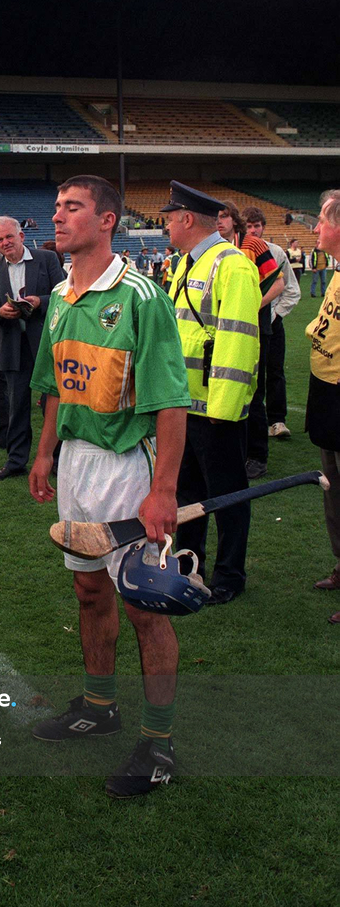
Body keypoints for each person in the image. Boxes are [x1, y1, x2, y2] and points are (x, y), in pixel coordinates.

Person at [29, 175, 190, 799]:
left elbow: (171, 403)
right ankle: (99, 705)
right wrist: (45, 453)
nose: (59, 217)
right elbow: (52, 387)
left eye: (72, 208)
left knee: (144, 603)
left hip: (129, 468)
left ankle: (160, 742)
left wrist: (165, 490)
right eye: (57, 207)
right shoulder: (62, 295)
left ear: (107, 222)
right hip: (75, 462)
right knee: (88, 589)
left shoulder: (142, 297)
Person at [164, 181, 261, 605]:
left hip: (214, 411)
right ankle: (191, 565)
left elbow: (238, 341)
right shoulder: (184, 263)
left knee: (227, 497)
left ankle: (229, 576)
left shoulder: (232, 264)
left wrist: (222, 410)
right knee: (187, 496)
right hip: (184, 407)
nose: (165, 225)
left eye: (170, 218)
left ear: (187, 219)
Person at [0, 216, 63, 479]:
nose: (5, 243)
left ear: (21, 237)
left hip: (45, 344)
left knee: (52, 404)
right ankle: (16, 461)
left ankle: (57, 459)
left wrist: (40, 301)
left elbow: (64, 295)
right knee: (17, 405)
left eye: (9, 237)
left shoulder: (47, 259)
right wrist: (1, 313)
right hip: (11, 345)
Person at [216, 200, 283, 481]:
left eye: (224, 216)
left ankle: (258, 456)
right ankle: (238, 451)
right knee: (229, 390)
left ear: (235, 220)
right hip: (224, 330)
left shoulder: (252, 245)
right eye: (215, 217)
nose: (219, 221)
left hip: (255, 329)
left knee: (252, 393)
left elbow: (277, 283)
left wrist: (250, 305)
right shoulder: (215, 249)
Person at [306, 190, 340, 620]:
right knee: (333, 486)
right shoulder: (335, 272)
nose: (315, 228)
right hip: (327, 388)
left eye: (322, 219)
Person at [241, 206, 300, 442]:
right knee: (253, 373)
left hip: (272, 322)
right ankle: (254, 420)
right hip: (245, 323)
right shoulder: (235, 252)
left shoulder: (275, 252)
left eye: (257, 226)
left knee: (275, 370)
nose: (254, 230)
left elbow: (291, 290)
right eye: (249, 226)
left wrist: (275, 314)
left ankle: (277, 420)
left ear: (263, 227)